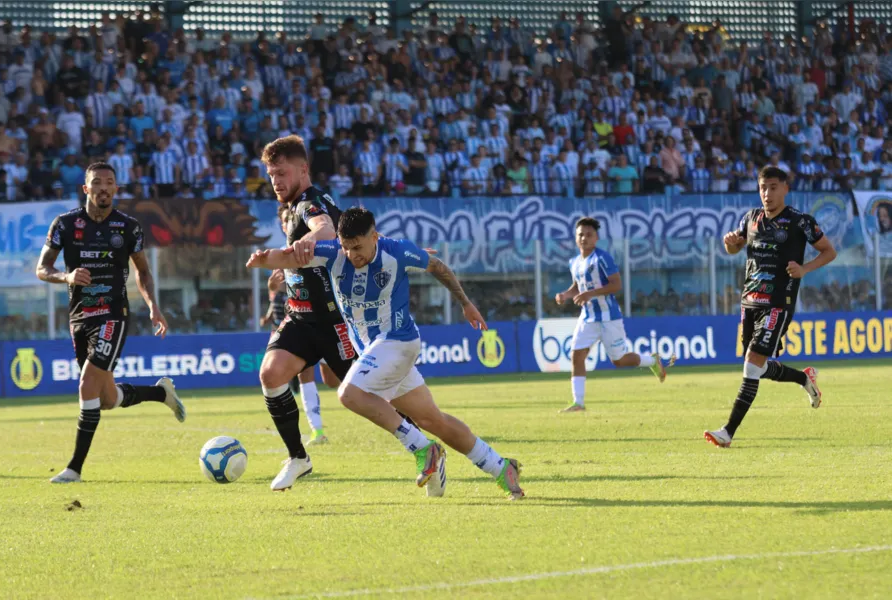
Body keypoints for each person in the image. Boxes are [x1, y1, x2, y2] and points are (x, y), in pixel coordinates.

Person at [246, 207, 524, 500]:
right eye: (347, 246)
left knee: (348, 394)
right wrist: (264, 259)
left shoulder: (398, 252)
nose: (353, 254)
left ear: (375, 236)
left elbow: (437, 266)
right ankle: (500, 467)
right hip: (377, 351)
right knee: (433, 420)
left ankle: (422, 448)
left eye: (359, 246)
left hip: (399, 341)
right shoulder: (333, 253)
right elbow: (288, 257)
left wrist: (465, 303)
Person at [36, 162, 185, 483]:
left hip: (113, 315)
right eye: (97, 183)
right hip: (79, 318)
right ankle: (161, 394)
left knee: (87, 385)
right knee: (105, 399)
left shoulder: (128, 227)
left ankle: (74, 469)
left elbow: (143, 271)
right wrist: (67, 276)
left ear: (116, 189)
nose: (104, 188)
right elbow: (42, 268)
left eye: (110, 183)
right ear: (86, 189)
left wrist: (153, 306)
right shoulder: (64, 224)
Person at [705, 166, 836, 448]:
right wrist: (729, 244)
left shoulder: (800, 221)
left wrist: (804, 269)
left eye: (773, 187)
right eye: (763, 188)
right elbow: (735, 248)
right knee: (758, 367)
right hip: (749, 302)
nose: (767, 194)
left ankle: (727, 432)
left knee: (752, 365)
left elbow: (829, 251)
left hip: (778, 303)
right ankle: (804, 377)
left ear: (786, 189)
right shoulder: (750, 219)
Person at [256, 135, 355, 491]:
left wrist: (310, 241)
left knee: (369, 396)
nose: (276, 181)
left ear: (303, 169)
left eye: (281, 173)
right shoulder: (298, 204)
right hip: (301, 316)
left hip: (334, 319)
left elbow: (324, 227)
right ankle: (298, 457)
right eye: (271, 175)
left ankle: (422, 445)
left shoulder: (309, 203)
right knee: (271, 373)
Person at [554, 217, 676, 413]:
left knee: (618, 361)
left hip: (609, 317)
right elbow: (578, 286)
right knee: (577, 355)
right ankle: (579, 403)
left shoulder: (602, 258)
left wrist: (589, 294)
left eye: (588, 234)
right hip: (588, 317)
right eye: (580, 235)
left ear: (596, 237)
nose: (584, 238)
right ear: (576, 238)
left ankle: (653, 361)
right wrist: (566, 295)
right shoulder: (574, 262)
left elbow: (616, 285)